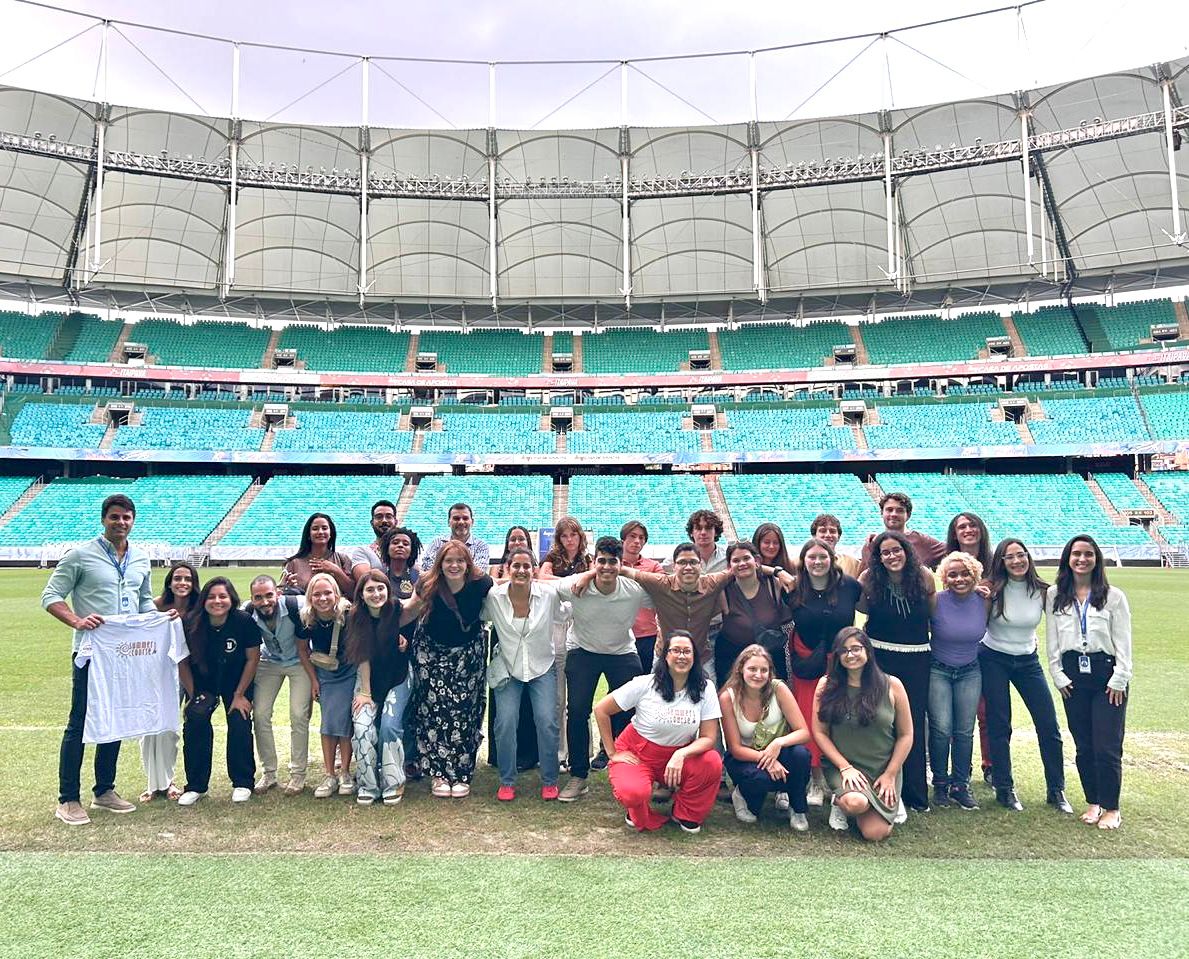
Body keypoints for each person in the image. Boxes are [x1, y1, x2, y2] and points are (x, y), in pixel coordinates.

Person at [44, 493, 159, 826]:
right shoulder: (80, 556)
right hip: (92, 653)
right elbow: (51, 596)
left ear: (133, 521)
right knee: (80, 722)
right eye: (114, 517)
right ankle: (67, 799)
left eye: (126, 517)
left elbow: (144, 602)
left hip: (125, 655)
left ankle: (104, 791)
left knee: (116, 719)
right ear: (104, 519)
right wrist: (77, 621)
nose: (121, 523)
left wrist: (161, 619)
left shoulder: (140, 557)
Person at [594, 631, 724, 833]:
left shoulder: (705, 688)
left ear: (694, 657)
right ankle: (636, 808)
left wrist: (681, 753)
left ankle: (685, 812)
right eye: (676, 651)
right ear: (665, 656)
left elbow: (708, 737)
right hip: (638, 752)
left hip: (678, 755)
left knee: (711, 762)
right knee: (633, 792)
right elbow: (601, 709)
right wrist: (612, 752)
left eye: (687, 652)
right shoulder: (644, 684)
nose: (681, 656)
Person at [555, 537, 651, 802]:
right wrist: (585, 576)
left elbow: (665, 594)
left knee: (634, 709)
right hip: (583, 649)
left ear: (621, 564)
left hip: (621, 651)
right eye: (601, 561)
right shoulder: (576, 587)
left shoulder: (633, 590)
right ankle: (579, 775)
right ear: (593, 562)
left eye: (613, 562)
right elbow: (546, 587)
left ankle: (628, 765)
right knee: (576, 710)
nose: (607, 567)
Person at [1046, 535, 1131, 830]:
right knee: (1083, 744)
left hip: (1107, 675)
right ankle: (1093, 801)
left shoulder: (1113, 596)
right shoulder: (1057, 594)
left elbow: (1124, 642)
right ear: (1067, 559)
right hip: (1072, 675)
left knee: (1106, 745)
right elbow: (1052, 640)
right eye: (1076, 554)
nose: (1082, 559)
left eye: (1088, 554)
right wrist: (1057, 674)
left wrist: (1120, 677)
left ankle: (1111, 807)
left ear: (1097, 559)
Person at [981, 538, 1070, 814]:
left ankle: (1056, 790)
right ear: (1001, 562)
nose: (1017, 561)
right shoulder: (992, 589)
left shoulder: (1044, 591)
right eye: (1010, 557)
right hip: (993, 657)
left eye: (1021, 555)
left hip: (1028, 660)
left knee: (1048, 724)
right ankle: (1004, 788)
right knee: (999, 724)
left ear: (1028, 558)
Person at [857, 529, 936, 812]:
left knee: (911, 723)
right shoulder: (869, 580)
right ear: (877, 558)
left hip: (916, 660)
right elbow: (860, 609)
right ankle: (881, 787)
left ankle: (914, 793)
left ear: (906, 551)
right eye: (885, 553)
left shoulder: (924, 577)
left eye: (896, 550)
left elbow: (932, 615)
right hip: (880, 658)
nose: (892, 556)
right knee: (882, 722)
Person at [812, 627, 913, 841]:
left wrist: (890, 774)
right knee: (856, 803)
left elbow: (906, 735)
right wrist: (844, 767)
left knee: (875, 834)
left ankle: (883, 798)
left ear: (868, 650)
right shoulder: (826, 685)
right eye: (844, 650)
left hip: (882, 768)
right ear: (837, 656)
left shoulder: (893, 685)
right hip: (845, 766)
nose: (850, 655)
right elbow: (820, 733)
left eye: (856, 648)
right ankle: (842, 801)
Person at [411, 540, 495, 797]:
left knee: (465, 713)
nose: (454, 565)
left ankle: (461, 772)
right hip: (431, 654)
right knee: (433, 712)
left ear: (468, 562)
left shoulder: (482, 584)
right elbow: (407, 611)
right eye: (449, 561)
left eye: (460, 560)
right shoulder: (428, 583)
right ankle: (438, 773)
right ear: (440, 563)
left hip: (468, 657)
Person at [481, 547, 566, 801]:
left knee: (547, 721)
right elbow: (476, 614)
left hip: (542, 666)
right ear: (507, 569)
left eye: (526, 566)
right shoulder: (494, 597)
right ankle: (507, 780)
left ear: (534, 570)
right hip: (509, 668)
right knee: (505, 722)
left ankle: (550, 779)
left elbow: (568, 612)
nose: (521, 571)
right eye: (515, 566)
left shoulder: (548, 595)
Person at [787, 537, 862, 807]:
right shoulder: (793, 589)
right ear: (803, 562)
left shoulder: (850, 587)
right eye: (812, 558)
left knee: (843, 720)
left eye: (823, 557)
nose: (817, 562)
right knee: (810, 722)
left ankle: (845, 778)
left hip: (843, 663)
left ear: (832, 559)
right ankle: (816, 779)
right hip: (808, 665)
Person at [177, 577, 262, 806]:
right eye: (212, 596)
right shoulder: (191, 622)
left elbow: (253, 658)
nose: (217, 601)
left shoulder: (244, 621)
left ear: (231, 598)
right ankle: (195, 785)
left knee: (239, 719)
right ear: (204, 600)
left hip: (237, 681)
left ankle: (243, 782)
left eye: (222, 596)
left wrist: (239, 695)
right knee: (195, 720)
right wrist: (194, 695)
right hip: (203, 683)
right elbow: (182, 662)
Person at [719, 644, 812, 830]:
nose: (758, 675)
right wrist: (768, 760)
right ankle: (742, 795)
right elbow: (735, 748)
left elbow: (804, 732)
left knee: (801, 755)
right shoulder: (727, 697)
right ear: (740, 669)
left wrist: (779, 742)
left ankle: (797, 807)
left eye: (764, 670)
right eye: (752, 669)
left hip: (778, 751)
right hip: (744, 756)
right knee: (758, 784)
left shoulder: (779, 689)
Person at [618, 543, 735, 684]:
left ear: (700, 566)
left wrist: (770, 572)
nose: (688, 567)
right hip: (665, 657)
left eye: (693, 562)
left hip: (701, 657)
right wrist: (588, 575)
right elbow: (622, 570)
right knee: (655, 699)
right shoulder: (661, 584)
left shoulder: (711, 583)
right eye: (682, 562)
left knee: (710, 699)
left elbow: (742, 567)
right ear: (674, 566)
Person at [927, 551, 989, 810]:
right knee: (941, 729)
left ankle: (960, 785)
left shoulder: (984, 600)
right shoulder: (936, 601)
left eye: (965, 574)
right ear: (944, 577)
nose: (959, 579)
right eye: (952, 574)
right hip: (938, 670)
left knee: (964, 731)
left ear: (974, 575)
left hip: (970, 671)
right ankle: (940, 783)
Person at [348, 570, 412, 805]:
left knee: (389, 726)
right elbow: (362, 657)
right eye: (370, 590)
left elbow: (417, 604)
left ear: (388, 589)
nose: (376, 594)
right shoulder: (355, 617)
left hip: (398, 677)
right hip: (368, 680)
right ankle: (367, 783)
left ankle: (394, 781)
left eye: (380, 588)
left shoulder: (397, 609)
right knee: (362, 726)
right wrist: (365, 693)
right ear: (361, 595)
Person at [245, 574, 312, 796]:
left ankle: (298, 774)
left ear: (278, 593)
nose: (264, 602)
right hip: (270, 661)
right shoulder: (248, 612)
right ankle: (269, 773)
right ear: (252, 599)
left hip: (299, 661)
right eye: (258, 597)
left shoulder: (296, 605)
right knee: (261, 714)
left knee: (298, 714)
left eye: (268, 595)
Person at [140, 561, 199, 802]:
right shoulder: (154, 606)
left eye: (187, 579)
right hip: (156, 673)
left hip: (188, 673)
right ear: (169, 582)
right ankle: (153, 784)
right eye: (177, 578)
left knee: (170, 728)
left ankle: (168, 781)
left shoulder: (199, 608)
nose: (182, 583)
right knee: (149, 730)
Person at [538, 516, 593, 771]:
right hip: (557, 628)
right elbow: (542, 579)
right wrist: (574, 582)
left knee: (580, 699)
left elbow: (594, 579)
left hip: (581, 625)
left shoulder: (588, 560)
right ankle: (559, 753)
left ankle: (581, 752)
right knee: (558, 697)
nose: (570, 540)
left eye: (573, 535)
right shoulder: (552, 560)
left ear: (580, 536)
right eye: (564, 536)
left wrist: (571, 583)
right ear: (559, 539)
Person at [297, 572, 357, 799]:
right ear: (310, 597)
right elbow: (302, 649)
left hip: (348, 671)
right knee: (329, 722)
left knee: (344, 723)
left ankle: (345, 773)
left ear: (336, 594)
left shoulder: (348, 614)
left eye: (327, 593)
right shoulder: (306, 617)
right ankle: (329, 774)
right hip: (326, 674)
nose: (322, 598)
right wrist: (314, 680)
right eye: (317, 594)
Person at [946, 511, 994, 787]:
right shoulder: (946, 559)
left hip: (991, 647)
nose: (967, 530)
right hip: (956, 651)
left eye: (972, 524)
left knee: (988, 712)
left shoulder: (994, 562)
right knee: (955, 716)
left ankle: (992, 765)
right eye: (961, 526)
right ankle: (958, 769)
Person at [486, 524, 539, 773]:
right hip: (502, 635)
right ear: (506, 544)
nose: (517, 542)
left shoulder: (531, 570)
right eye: (513, 539)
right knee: (502, 692)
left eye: (522, 539)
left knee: (528, 699)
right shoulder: (496, 570)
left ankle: (528, 753)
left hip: (530, 637)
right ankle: (499, 754)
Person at [715, 541, 794, 687]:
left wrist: (777, 571)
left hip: (770, 658)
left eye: (746, 558)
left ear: (756, 561)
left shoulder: (774, 584)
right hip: (733, 658)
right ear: (729, 567)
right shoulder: (724, 592)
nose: (742, 563)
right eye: (736, 560)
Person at [860, 492, 946, 572]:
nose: (894, 514)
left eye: (900, 510)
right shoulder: (871, 544)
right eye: (889, 510)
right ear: (882, 513)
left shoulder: (922, 541)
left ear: (908, 515)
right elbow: (863, 581)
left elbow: (953, 549)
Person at [620, 520, 664, 673]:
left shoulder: (653, 566)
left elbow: (662, 588)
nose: (637, 541)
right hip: (619, 634)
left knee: (646, 683)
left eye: (641, 538)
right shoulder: (612, 565)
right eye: (632, 536)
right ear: (623, 540)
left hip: (647, 634)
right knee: (620, 686)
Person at [280, 512, 354, 594]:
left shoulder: (342, 559)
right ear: (308, 534)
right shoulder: (294, 563)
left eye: (324, 528)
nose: (320, 532)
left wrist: (336, 570)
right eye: (315, 529)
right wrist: (288, 588)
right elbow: (279, 595)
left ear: (331, 533)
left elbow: (354, 592)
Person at [418, 502, 491, 572]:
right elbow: (427, 568)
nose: (461, 522)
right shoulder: (436, 543)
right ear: (448, 522)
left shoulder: (481, 546)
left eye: (465, 518)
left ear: (472, 522)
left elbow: (478, 572)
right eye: (456, 518)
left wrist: (446, 569)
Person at [350, 499, 399, 581]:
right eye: (379, 517)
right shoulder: (362, 552)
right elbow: (367, 582)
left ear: (396, 522)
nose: (384, 520)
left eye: (389, 516)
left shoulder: (406, 549)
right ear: (372, 523)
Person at [810, 513, 861, 578]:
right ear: (814, 536)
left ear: (838, 537)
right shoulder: (801, 562)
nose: (828, 535)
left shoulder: (851, 563)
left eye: (832, 531)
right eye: (823, 531)